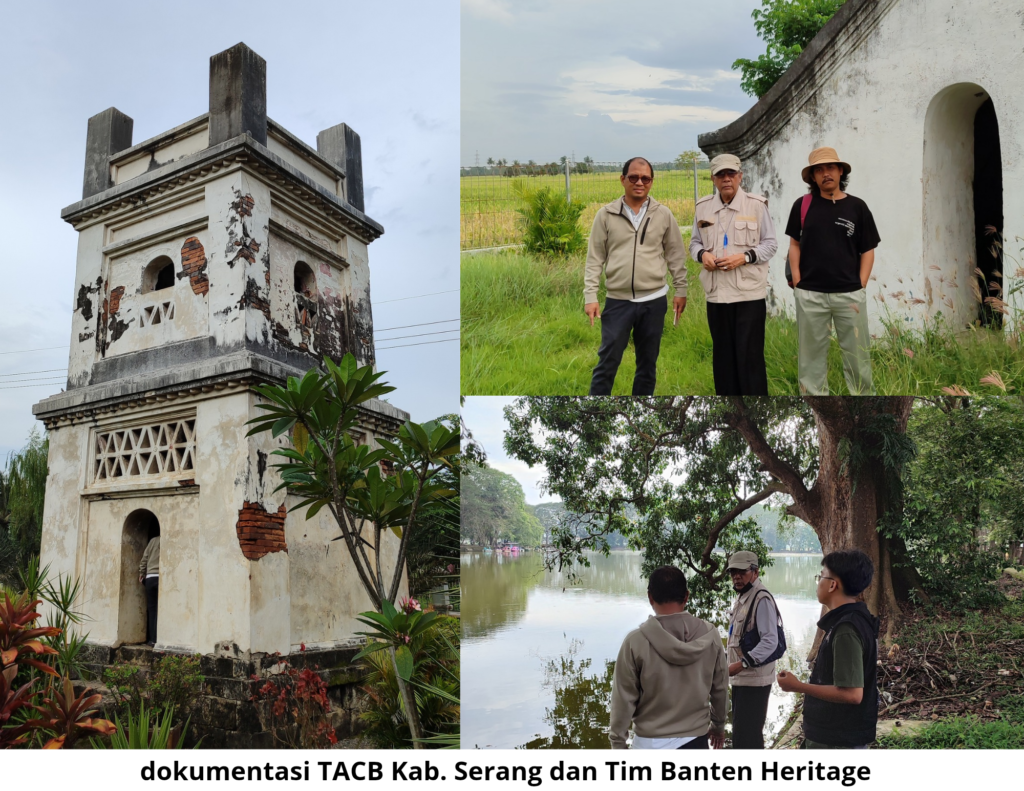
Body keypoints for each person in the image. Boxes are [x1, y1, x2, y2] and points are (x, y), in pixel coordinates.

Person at [584, 157, 688, 395]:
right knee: (607, 362)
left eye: (645, 178)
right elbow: (594, 259)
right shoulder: (606, 215)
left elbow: (675, 256)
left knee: (647, 365)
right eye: (633, 177)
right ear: (623, 180)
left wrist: (681, 290)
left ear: (651, 181)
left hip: (654, 301)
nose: (639, 182)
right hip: (618, 301)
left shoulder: (663, 215)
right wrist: (590, 295)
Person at [785, 147, 880, 395]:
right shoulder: (803, 206)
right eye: (819, 170)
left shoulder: (857, 207)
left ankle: (863, 400)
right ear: (813, 178)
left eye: (830, 168)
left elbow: (868, 248)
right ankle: (816, 398)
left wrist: (861, 283)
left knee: (857, 357)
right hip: (810, 295)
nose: (825, 173)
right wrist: (797, 279)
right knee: (811, 361)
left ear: (840, 171)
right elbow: (794, 244)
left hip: (849, 296)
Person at [609, 565, 727, 750]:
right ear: (686, 596)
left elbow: (623, 700)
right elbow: (720, 688)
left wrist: (618, 743)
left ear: (650, 597)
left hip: (649, 744)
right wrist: (718, 726)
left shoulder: (635, 642)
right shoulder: (711, 636)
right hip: (695, 740)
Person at [690, 154, 778, 394]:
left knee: (750, 359)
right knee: (722, 357)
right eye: (721, 175)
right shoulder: (703, 207)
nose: (726, 179)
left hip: (748, 294)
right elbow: (694, 244)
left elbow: (770, 244)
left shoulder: (757, 205)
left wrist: (745, 256)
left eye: (731, 174)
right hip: (717, 295)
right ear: (713, 179)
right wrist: (702, 256)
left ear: (740, 176)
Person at [776, 549, 879, 749]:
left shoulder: (846, 629)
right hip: (835, 736)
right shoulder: (851, 620)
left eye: (821, 576)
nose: (818, 582)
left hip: (837, 741)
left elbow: (852, 694)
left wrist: (798, 686)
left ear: (833, 585)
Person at [725, 551, 784, 749]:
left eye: (742, 572)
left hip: (754, 680)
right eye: (733, 572)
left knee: (747, 739)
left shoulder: (761, 599)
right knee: (742, 735)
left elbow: (770, 641)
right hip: (742, 678)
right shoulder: (744, 597)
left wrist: (742, 664)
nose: (736, 576)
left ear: (755, 572)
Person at [139, 530, 160, 646]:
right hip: (161, 576)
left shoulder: (152, 541)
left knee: (152, 610)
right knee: (163, 609)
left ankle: (152, 639)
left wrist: (142, 573)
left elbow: (144, 559)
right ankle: (161, 638)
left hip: (150, 577)